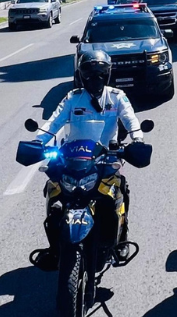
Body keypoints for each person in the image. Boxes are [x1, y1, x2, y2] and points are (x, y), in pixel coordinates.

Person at [31, 50, 143, 270]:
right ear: (82, 75)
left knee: (119, 190)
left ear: (108, 74)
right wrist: (38, 141)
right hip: (73, 158)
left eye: (100, 73)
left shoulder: (117, 96)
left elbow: (130, 119)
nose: (96, 78)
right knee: (54, 196)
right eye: (90, 74)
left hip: (106, 157)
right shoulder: (73, 98)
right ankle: (55, 249)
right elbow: (53, 122)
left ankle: (120, 238)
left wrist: (137, 138)